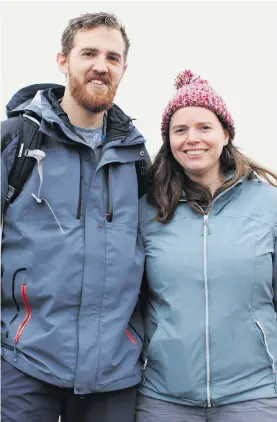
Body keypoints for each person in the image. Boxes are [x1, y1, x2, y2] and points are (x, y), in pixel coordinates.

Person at [1, 12, 149, 422]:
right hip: (24, 364)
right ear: (63, 61)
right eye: (89, 53)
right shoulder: (15, 141)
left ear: (123, 68)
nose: (101, 65)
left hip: (115, 372)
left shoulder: (136, 159)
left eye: (112, 57)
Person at [136, 69, 277, 422]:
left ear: (225, 133)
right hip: (163, 396)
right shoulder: (146, 210)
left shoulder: (268, 204)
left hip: (254, 394)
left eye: (204, 127)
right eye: (179, 130)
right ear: (167, 140)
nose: (192, 139)